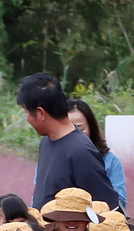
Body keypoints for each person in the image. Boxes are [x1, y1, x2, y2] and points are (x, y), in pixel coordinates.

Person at [17, 72, 120, 210]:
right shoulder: (46, 141)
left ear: (41, 113)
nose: (27, 118)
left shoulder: (81, 151)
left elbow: (107, 209)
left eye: (27, 112)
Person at [68, 99, 127, 210]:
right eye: (69, 129)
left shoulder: (110, 161)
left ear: (91, 128)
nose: (75, 135)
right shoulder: (50, 160)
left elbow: (120, 202)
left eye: (80, 129)